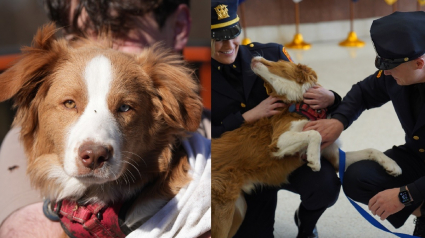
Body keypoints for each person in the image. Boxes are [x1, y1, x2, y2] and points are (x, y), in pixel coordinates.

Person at [0, 0, 211, 237]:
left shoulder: (212, 153)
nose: (99, 44)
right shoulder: (23, 138)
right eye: (78, 33)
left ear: (179, 26)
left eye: (121, 29)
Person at [210, 1, 341, 237]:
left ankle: (306, 223)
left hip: (289, 156)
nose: (228, 45)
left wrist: (332, 98)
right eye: (217, 37)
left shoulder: (271, 55)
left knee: (326, 186)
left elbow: (311, 97)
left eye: (233, 34)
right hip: (242, 167)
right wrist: (244, 118)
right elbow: (194, 139)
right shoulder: (194, 76)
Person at [303, 11, 425, 237]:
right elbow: (363, 93)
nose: (385, 72)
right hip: (419, 156)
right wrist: (338, 121)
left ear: (419, 63)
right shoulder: (400, 72)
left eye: (390, 67)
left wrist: (404, 196)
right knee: (358, 177)